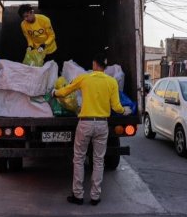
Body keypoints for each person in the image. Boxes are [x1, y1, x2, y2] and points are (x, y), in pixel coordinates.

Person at [52, 53, 130, 206]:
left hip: (85, 124)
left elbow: (66, 91)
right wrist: (124, 111)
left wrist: (55, 93)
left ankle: (78, 195)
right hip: (102, 124)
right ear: (105, 66)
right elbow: (116, 106)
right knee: (99, 160)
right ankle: (95, 196)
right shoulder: (112, 81)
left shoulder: (84, 78)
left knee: (79, 159)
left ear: (94, 64)